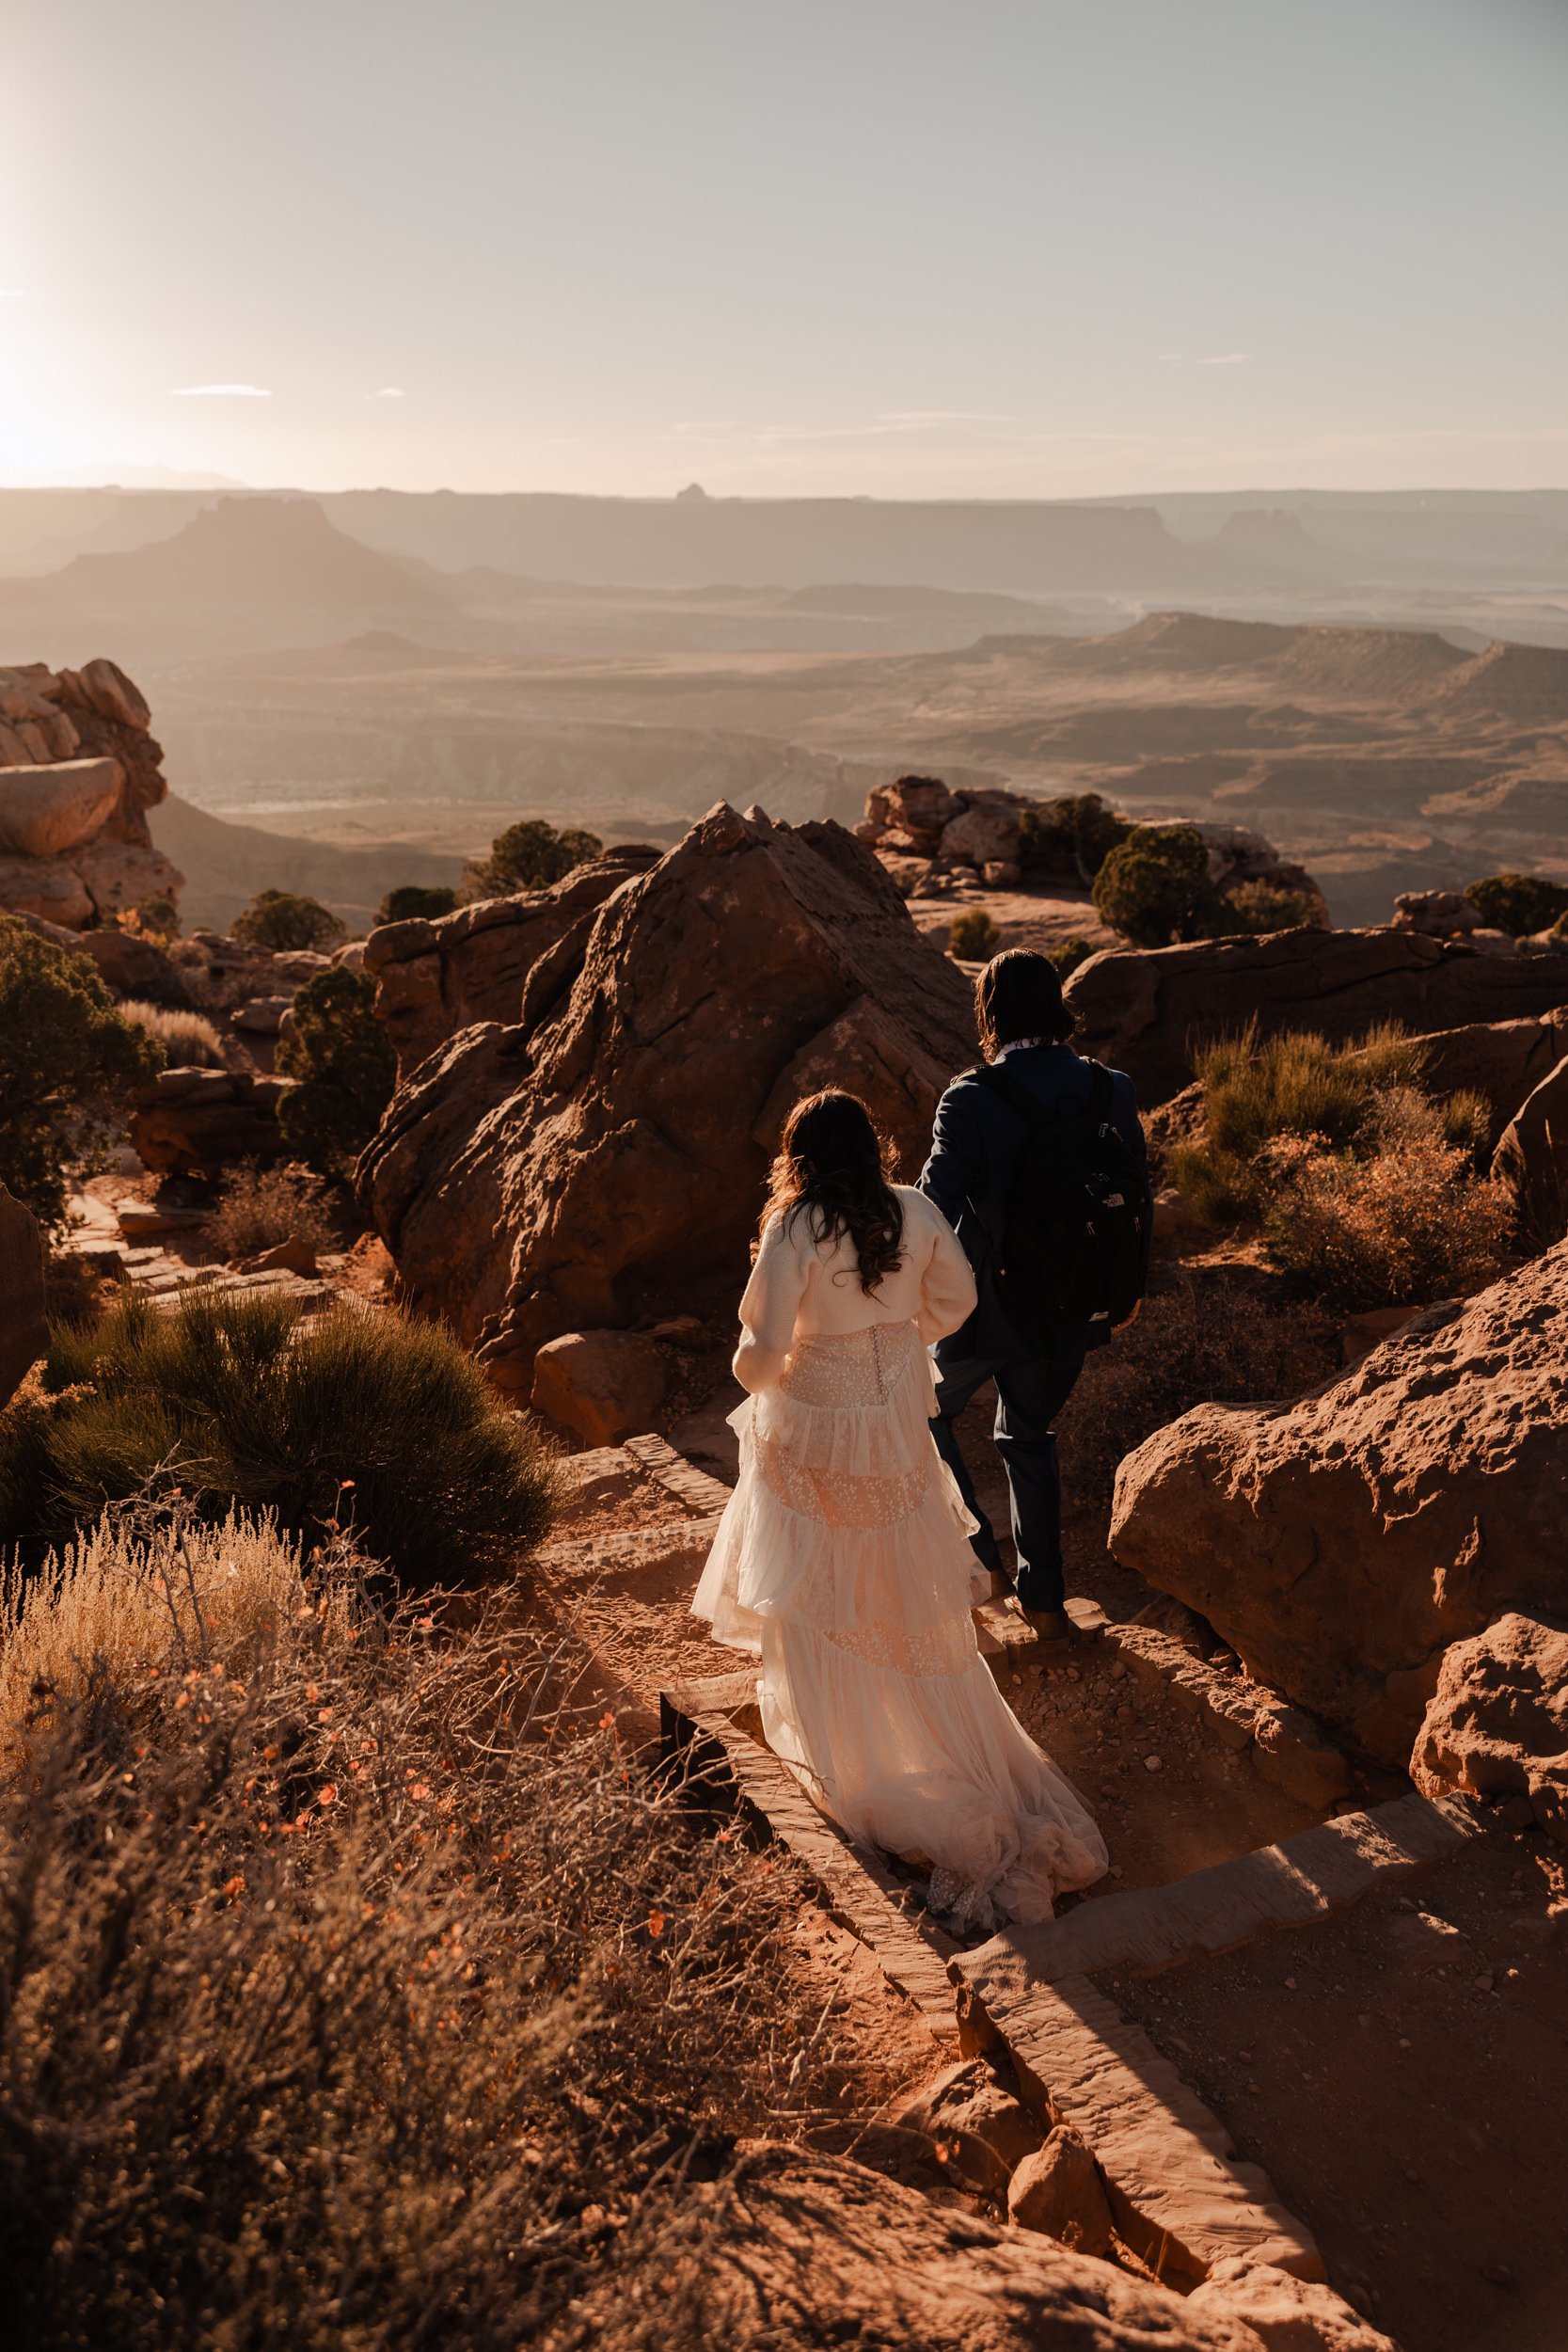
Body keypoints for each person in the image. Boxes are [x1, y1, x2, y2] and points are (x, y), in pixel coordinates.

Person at [692, 1089, 1106, 1929]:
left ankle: (852, 1753)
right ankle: (925, 1739)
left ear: (798, 1154)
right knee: (896, 1575)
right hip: (892, 1427)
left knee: (816, 1584)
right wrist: (895, 1337)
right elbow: (954, 1304)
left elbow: (762, 1351)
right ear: (869, 1148)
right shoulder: (913, 1209)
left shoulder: (794, 1225)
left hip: (814, 1428)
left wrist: (756, 1370)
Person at [920, 949, 1151, 1642]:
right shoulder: (1111, 1087)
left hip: (981, 1304)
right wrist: (1125, 1289)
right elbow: (1133, 1194)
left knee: (921, 1411)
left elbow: (933, 1205)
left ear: (990, 1013)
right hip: (1072, 1303)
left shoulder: (969, 1097)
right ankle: (1045, 1600)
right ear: (1056, 1004)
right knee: (1028, 1436)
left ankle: (979, 1560)